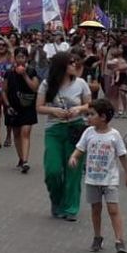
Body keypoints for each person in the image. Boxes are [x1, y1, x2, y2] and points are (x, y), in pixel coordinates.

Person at [69, 98, 127, 253]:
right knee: (96, 209)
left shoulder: (114, 135)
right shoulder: (88, 133)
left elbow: (122, 155)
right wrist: (74, 157)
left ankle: (119, 240)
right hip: (92, 179)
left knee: (113, 209)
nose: (88, 117)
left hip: (109, 179)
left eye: (91, 114)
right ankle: (97, 237)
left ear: (103, 117)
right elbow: (80, 149)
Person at [36, 52, 91, 221]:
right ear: (62, 66)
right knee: (52, 170)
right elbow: (39, 107)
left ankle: (71, 207)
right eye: (71, 63)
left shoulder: (81, 83)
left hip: (76, 129)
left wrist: (79, 109)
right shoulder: (47, 84)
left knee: (73, 171)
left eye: (75, 62)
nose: (75, 66)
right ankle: (57, 200)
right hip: (54, 129)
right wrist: (54, 110)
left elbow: (90, 105)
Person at [0, 47, 39, 174]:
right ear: (15, 58)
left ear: (27, 58)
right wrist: (7, 105)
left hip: (28, 106)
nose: (21, 59)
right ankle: (21, 159)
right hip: (13, 106)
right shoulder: (9, 73)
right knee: (16, 133)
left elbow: (34, 88)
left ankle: (26, 161)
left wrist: (24, 75)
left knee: (25, 132)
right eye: (18, 57)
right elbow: (3, 90)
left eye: (23, 57)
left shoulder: (32, 71)